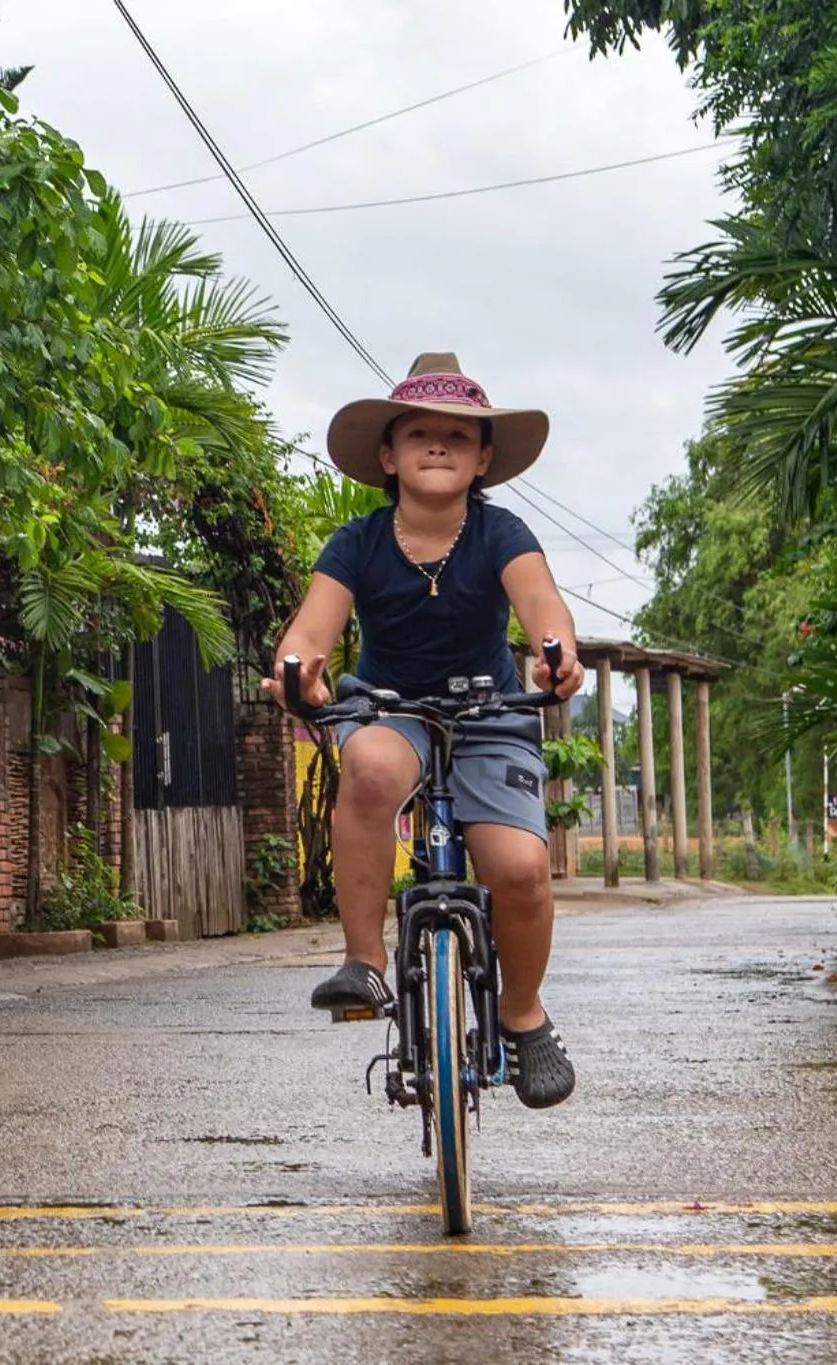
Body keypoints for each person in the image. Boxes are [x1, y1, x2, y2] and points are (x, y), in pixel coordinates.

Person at [262, 353, 585, 1108]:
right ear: (388, 454)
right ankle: (366, 960)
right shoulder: (357, 542)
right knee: (368, 769)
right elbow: (309, 631)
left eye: (456, 435)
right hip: (389, 707)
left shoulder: (502, 533)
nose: (437, 445)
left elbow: (544, 609)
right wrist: (298, 673)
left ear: (482, 459)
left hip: (489, 713)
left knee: (520, 871)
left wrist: (557, 659)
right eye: (419, 434)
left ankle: (522, 1013)